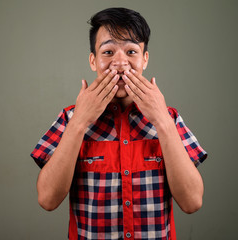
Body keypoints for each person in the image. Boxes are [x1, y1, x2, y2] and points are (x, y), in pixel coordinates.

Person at [30, 7, 207, 240]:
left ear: (145, 59)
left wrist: (162, 121)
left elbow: (192, 202)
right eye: (108, 52)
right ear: (93, 61)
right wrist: (80, 121)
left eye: (131, 51)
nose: (121, 63)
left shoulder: (169, 118)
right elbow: (47, 199)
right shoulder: (69, 119)